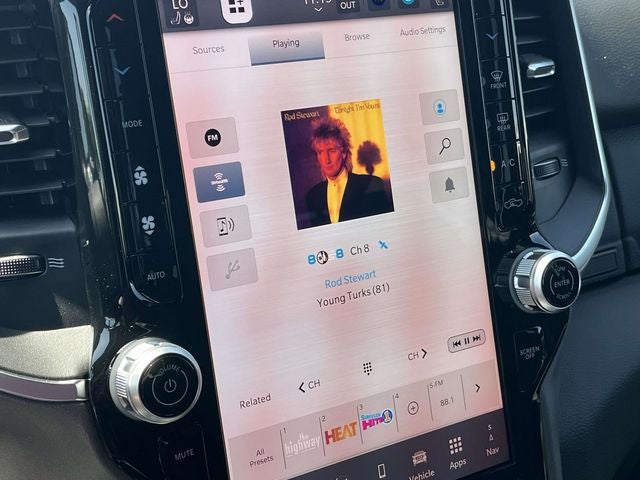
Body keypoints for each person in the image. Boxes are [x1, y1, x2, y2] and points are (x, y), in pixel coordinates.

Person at [305, 118, 393, 227]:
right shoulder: (312, 196)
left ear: (344, 153)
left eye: (332, 151)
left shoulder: (371, 185)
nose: (326, 160)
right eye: (320, 152)